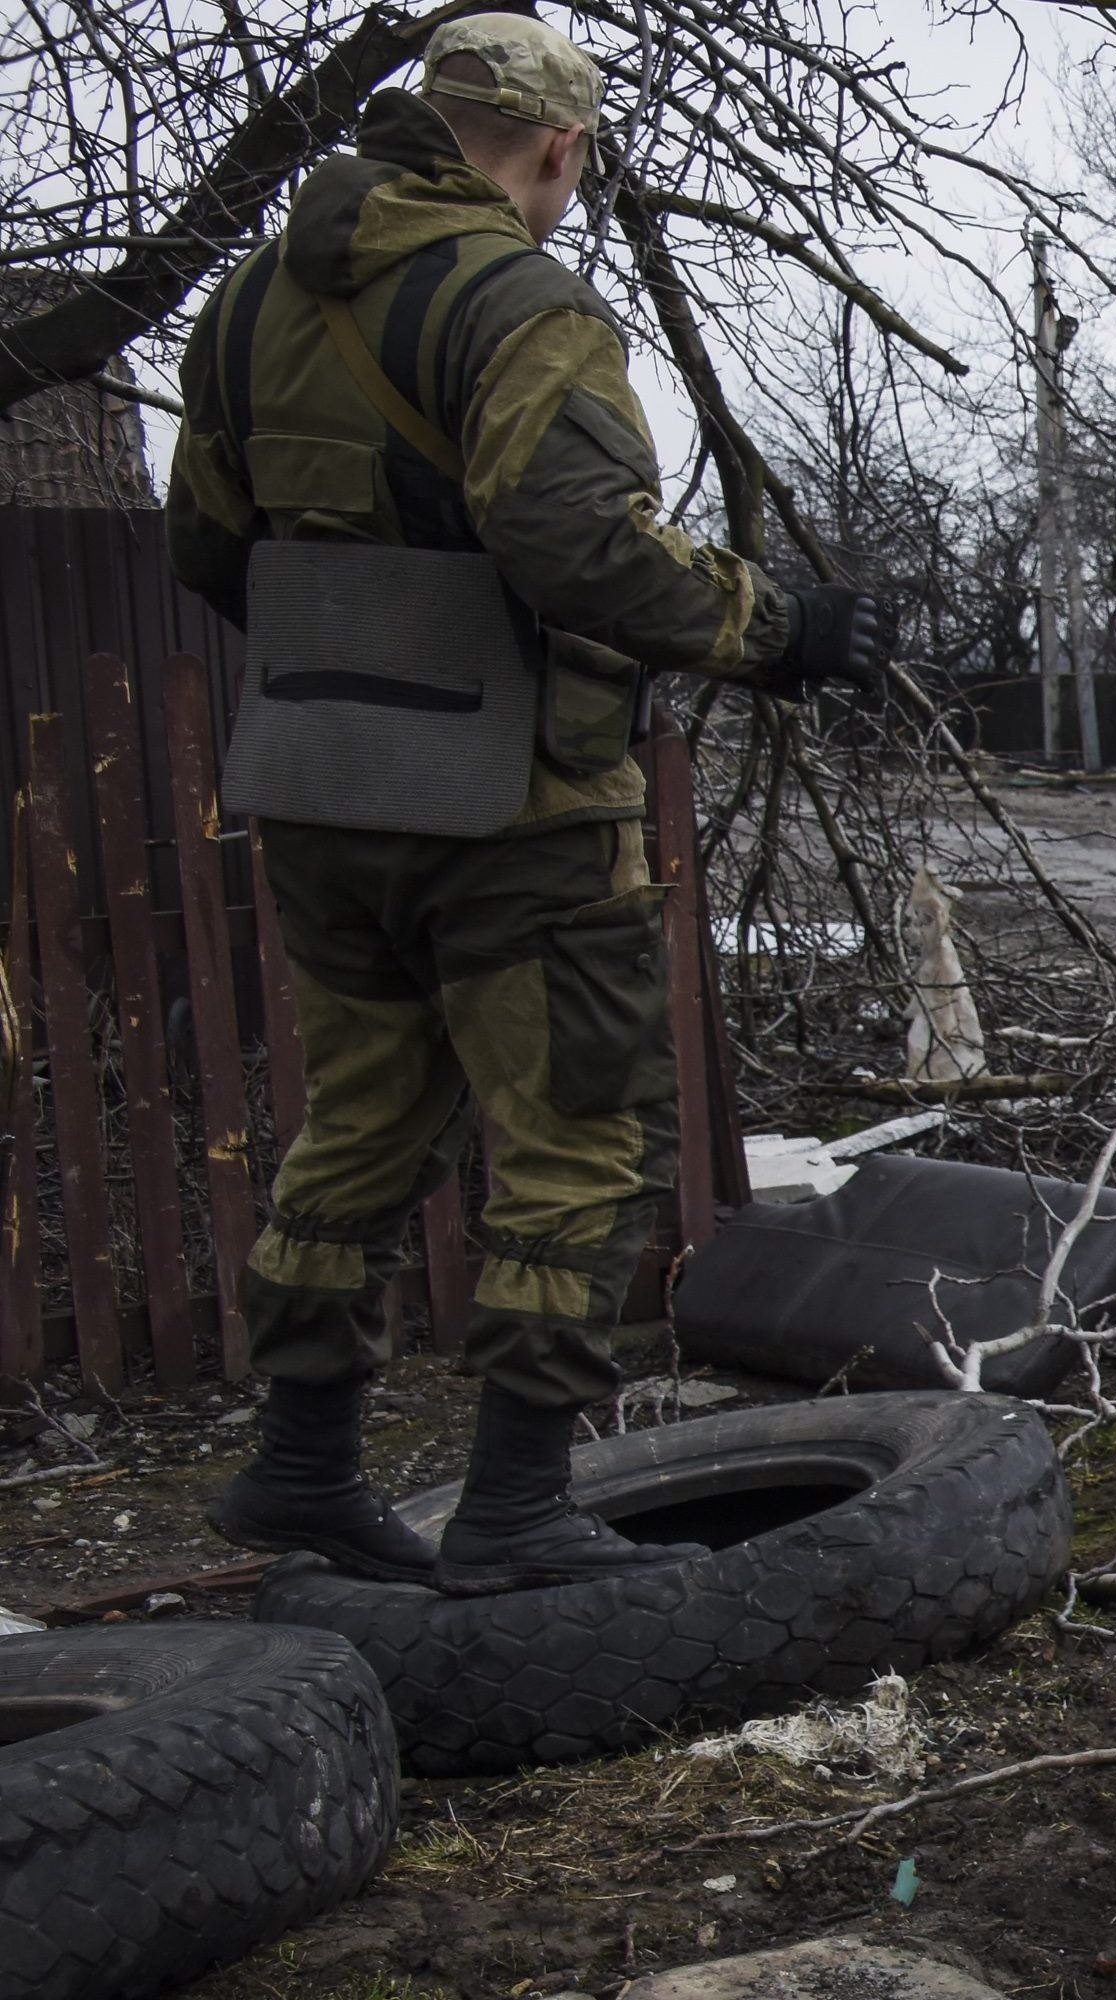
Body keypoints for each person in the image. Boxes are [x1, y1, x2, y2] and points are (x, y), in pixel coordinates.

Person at [161, 15, 885, 1595]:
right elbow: (581, 546)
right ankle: (513, 1509)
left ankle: (301, 1469)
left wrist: (361, 659)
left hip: (322, 789)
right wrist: (780, 631)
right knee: (578, 1140)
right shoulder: (520, 302)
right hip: (518, 811)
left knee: (360, 1121)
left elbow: (208, 548)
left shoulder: (247, 300)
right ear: (559, 147)